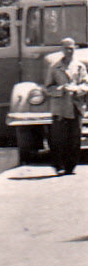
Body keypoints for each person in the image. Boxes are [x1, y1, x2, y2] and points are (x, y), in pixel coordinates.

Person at [45, 37, 88, 176]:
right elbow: (47, 88)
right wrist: (60, 89)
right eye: (66, 48)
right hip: (60, 107)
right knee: (58, 138)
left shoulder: (80, 66)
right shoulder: (54, 67)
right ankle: (58, 166)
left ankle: (70, 167)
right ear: (61, 50)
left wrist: (77, 89)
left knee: (75, 138)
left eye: (71, 48)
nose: (69, 51)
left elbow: (86, 85)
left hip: (75, 106)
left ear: (75, 48)